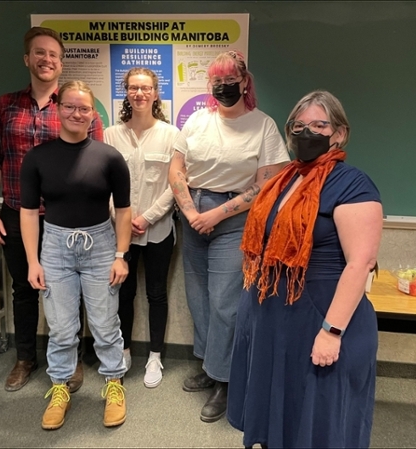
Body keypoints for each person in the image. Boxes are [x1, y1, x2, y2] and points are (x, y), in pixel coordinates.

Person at [226, 90, 383, 448]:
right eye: (299, 126)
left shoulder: (354, 185)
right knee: (280, 413)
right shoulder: (284, 180)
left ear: (339, 133)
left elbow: (361, 263)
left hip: (322, 315)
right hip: (275, 317)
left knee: (317, 421)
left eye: (318, 125)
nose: (307, 133)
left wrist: (331, 331)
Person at [169, 50, 290, 423]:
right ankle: (209, 365)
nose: (223, 87)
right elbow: (176, 170)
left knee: (226, 305)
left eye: (230, 81)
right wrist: (192, 213)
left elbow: (266, 183)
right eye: (216, 82)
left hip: (234, 220)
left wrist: (216, 215)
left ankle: (225, 379)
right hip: (193, 216)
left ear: (245, 83)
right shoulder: (196, 122)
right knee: (199, 299)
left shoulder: (263, 125)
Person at [0, 26, 102, 393]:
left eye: (53, 54)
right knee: (24, 288)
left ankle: (71, 359)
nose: (46, 59)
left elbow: (94, 163)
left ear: (61, 63)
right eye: (39, 52)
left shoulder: (77, 110)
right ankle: (25, 357)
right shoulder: (5, 106)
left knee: (71, 290)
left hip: (66, 219)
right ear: (27, 59)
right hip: (17, 213)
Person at [19, 80, 132, 430]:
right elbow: (27, 212)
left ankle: (114, 384)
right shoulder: (38, 157)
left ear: (92, 113)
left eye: (84, 108)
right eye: (69, 106)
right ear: (58, 109)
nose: (77, 113)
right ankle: (60, 388)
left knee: (104, 325)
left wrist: (120, 255)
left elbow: (125, 210)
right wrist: (33, 262)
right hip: (55, 249)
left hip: (100, 248)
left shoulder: (110, 157)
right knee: (62, 328)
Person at [104, 67, 180, 388]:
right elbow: (104, 183)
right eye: (133, 88)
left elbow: (176, 184)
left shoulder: (172, 134)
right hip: (120, 231)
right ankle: (123, 351)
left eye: (145, 88)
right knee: (124, 294)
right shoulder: (110, 135)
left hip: (159, 229)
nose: (139, 93)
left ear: (155, 93)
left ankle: (155, 356)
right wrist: (120, 217)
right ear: (126, 92)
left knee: (156, 294)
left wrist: (148, 216)